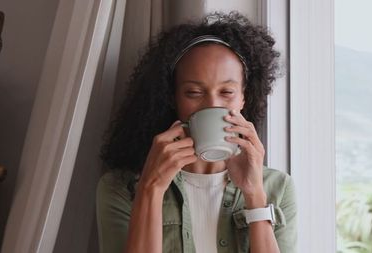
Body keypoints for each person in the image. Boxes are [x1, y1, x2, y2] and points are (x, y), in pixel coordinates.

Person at [96, 11, 297, 253]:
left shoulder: (278, 187)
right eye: (193, 92)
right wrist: (151, 188)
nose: (212, 105)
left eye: (227, 93)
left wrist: (254, 194)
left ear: (244, 97)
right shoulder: (121, 187)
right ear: (173, 98)